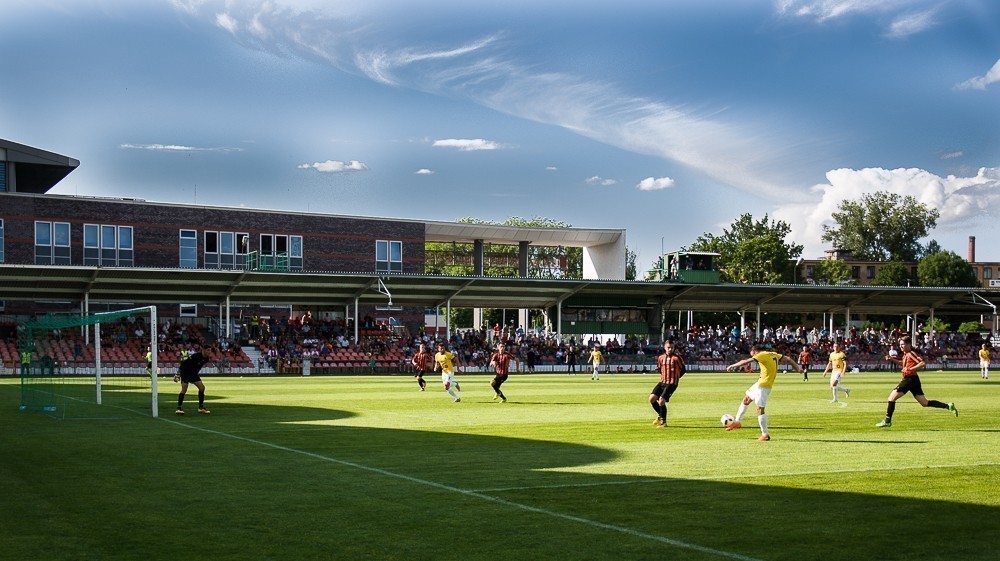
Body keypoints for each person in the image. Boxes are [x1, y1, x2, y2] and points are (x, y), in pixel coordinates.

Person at [725, 343, 803, 442]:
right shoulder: (773, 354)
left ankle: (765, 434)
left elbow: (745, 361)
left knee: (760, 410)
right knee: (746, 399)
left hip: (763, 386)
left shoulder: (761, 355)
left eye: (751, 353)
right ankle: (737, 422)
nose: (752, 355)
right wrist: (798, 369)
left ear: (754, 351)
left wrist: (732, 365)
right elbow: (788, 359)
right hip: (760, 383)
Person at [876, 336, 957, 428]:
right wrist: (892, 359)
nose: (901, 346)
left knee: (891, 398)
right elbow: (903, 364)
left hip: (909, 380)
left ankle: (887, 421)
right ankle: (948, 406)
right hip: (913, 380)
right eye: (900, 345)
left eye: (902, 344)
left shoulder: (911, 353)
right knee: (924, 403)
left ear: (908, 345)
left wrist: (910, 369)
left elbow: (922, 363)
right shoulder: (906, 354)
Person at [649, 341, 686, 427]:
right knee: (652, 399)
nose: (670, 349)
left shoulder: (677, 358)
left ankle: (664, 422)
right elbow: (659, 368)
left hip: (672, 383)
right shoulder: (661, 358)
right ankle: (660, 415)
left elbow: (683, 370)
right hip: (662, 382)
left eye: (672, 348)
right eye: (668, 347)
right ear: (665, 348)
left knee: (661, 400)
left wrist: (676, 377)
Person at [174, 345, 212, 415]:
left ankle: (201, 407)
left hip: (193, 374)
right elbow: (184, 363)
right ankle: (178, 408)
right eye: (208, 350)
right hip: (185, 373)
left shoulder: (206, 359)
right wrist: (178, 374)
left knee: (202, 388)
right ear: (203, 350)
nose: (209, 352)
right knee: (184, 389)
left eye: (210, 350)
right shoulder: (195, 356)